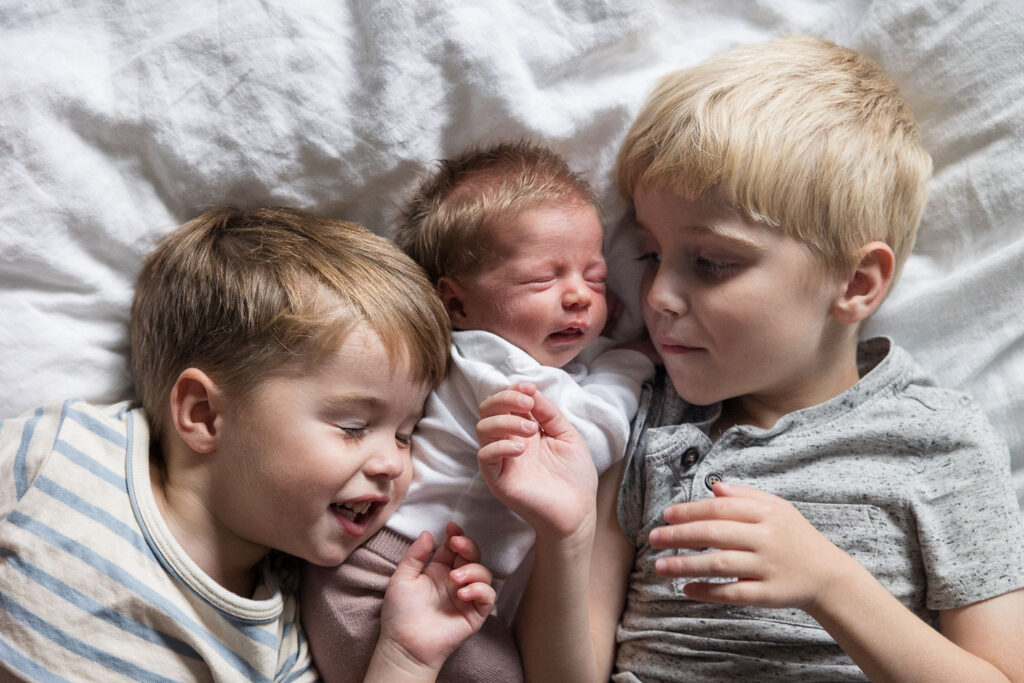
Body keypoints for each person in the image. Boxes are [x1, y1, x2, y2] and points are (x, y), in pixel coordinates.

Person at [475, 37, 1024, 681]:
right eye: (650, 255)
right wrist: (563, 538)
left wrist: (831, 585)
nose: (657, 296)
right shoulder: (642, 419)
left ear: (855, 284)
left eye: (711, 263)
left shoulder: (937, 443)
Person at [0, 206, 498, 682]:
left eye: (407, 435)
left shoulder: (278, 637)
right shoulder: (64, 449)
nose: (394, 463)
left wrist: (407, 657)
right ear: (204, 414)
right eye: (353, 425)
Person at [301, 141, 655, 682]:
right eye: (544, 278)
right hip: (389, 578)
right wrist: (634, 361)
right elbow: (586, 437)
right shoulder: (485, 360)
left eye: (596, 277)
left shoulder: (552, 361)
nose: (580, 296)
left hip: (432, 584)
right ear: (458, 304)